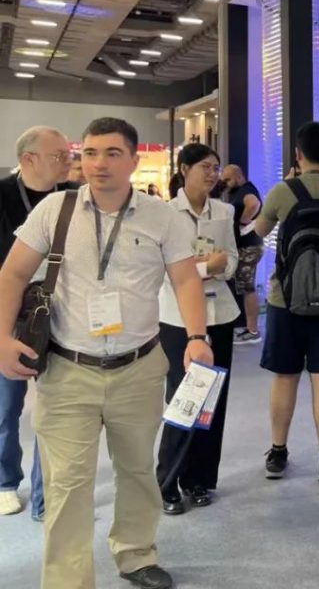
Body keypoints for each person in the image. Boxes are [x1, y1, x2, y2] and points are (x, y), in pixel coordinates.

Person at [0, 117, 212, 589]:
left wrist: (198, 336)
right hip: (67, 370)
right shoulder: (55, 209)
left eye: (112, 153)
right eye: (90, 153)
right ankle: (68, 580)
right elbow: (12, 275)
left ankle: (136, 554)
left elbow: (185, 279)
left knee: (136, 470)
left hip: (138, 367)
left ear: (133, 161)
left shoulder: (162, 217)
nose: (99, 163)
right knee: (67, 482)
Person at [252, 121, 319, 482]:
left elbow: (260, 231)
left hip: (285, 300)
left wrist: (288, 189)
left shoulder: (282, 190)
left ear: (298, 154)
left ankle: (277, 454)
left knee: (285, 377)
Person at [157, 144, 239, 515]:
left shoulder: (224, 210)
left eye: (216, 167)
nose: (212, 173)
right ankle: (167, 482)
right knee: (183, 398)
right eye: (205, 166)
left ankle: (199, 480)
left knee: (213, 402)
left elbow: (232, 259)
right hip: (177, 318)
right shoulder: (164, 213)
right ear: (184, 169)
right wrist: (205, 268)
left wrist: (221, 265)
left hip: (219, 313)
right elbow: (164, 269)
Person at [0, 127, 74, 521]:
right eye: (59, 155)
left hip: (63, 313)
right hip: (10, 313)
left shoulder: (74, 197)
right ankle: (5, 482)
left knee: (55, 409)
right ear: (29, 159)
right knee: (6, 407)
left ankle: (46, 496)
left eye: (69, 154)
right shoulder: (3, 195)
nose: (68, 161)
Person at [221, 164, 265, 345]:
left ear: (238, 177)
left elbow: (254, 203)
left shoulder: (246, 190)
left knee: (247, 288)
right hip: (246, 246)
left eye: (228, 179)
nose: (225, 183)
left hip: (248, 247)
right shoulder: (239, 191)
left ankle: (253, 331)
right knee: (244, 287)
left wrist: (243, 221)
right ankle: (250, 328)